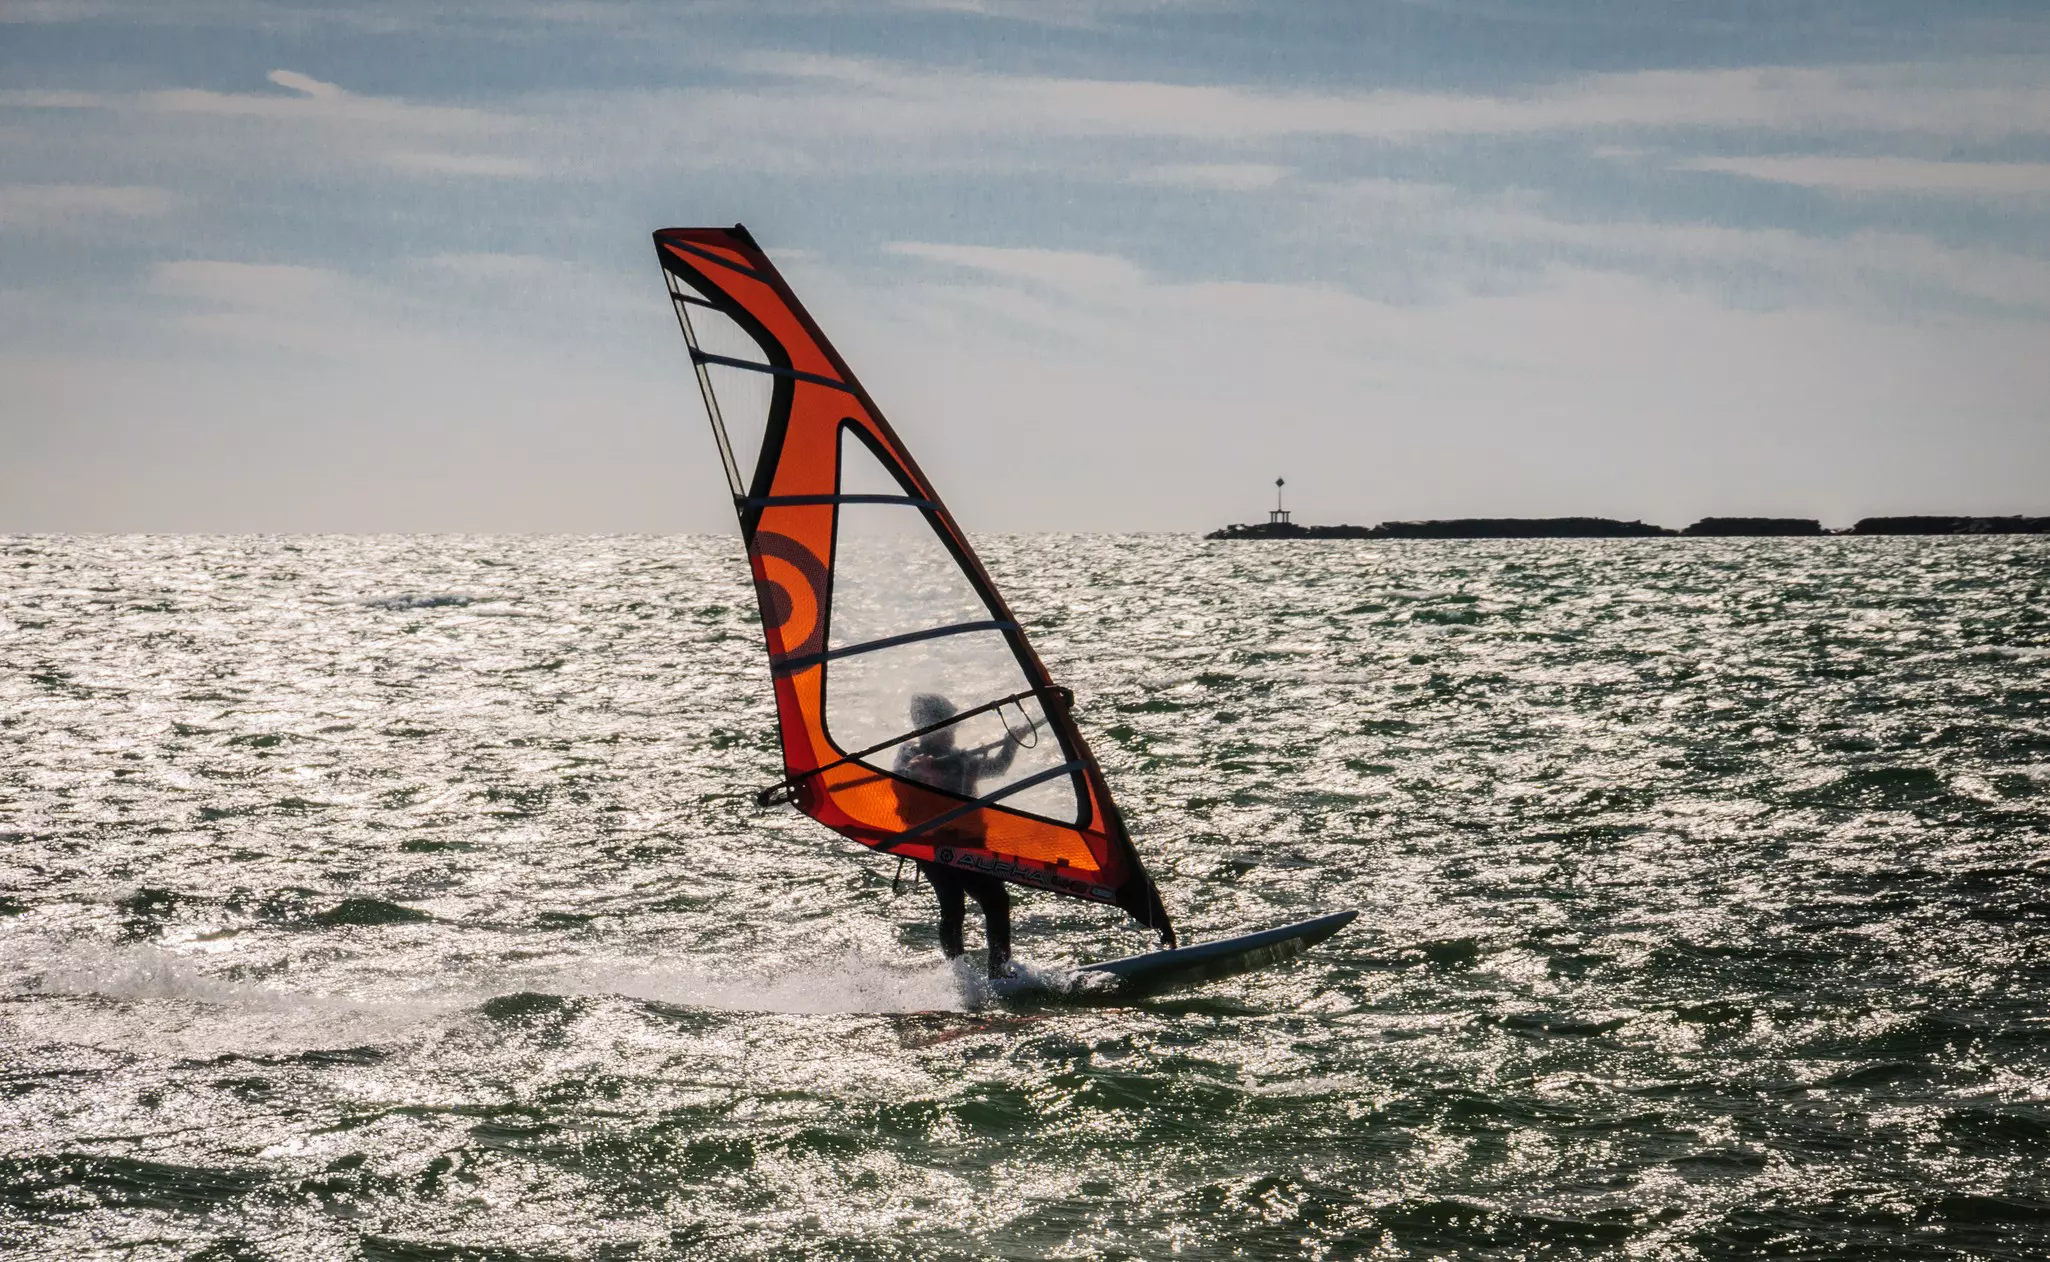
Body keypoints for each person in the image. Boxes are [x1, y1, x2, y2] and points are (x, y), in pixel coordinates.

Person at [893, 692, 1022, 978]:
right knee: (954, 906)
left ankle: (998, 972)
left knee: (996, 901)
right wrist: (917, 772)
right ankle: (960, 976)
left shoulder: (959, 759)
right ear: (930, 726)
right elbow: (902, 777)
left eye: (954, 725)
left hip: (969, 843)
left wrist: (1012, 742)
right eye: (950, 725)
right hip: (935, 845)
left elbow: (997, 767)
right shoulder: (910, 755)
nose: (953, 731)